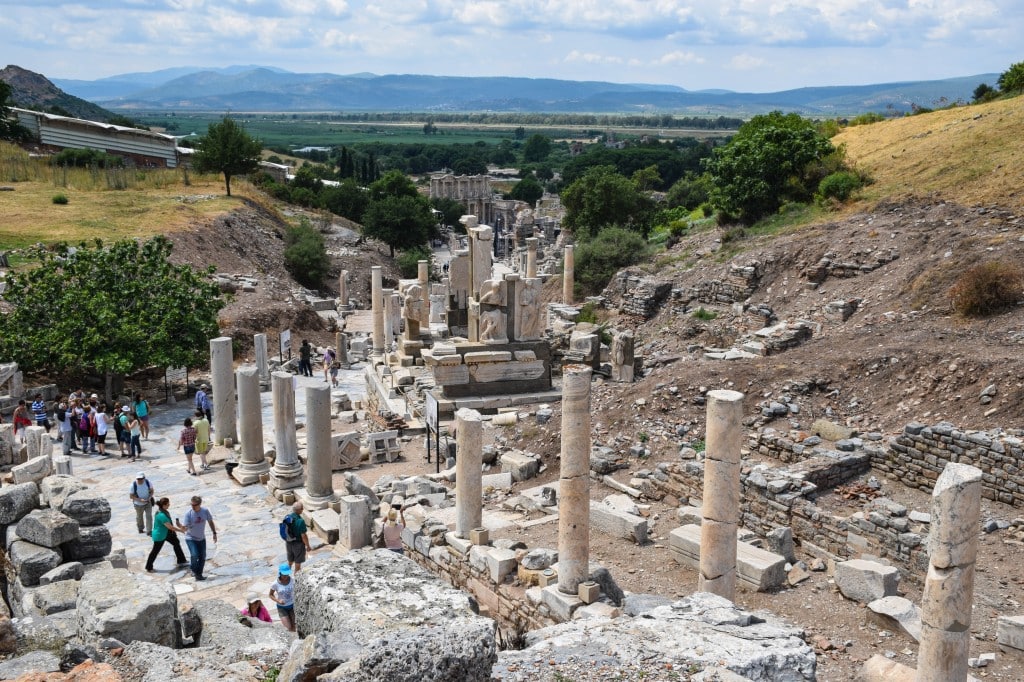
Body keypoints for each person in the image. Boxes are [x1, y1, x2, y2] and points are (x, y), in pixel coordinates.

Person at [145, 497, 187, 572]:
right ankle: (149, 567)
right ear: (163, 505)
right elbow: (170, 527)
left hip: (167, 533)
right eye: (168, 504)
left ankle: (181, 560)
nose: (169, 505)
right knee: (155, 551)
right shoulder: (161, 515)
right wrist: (180, 530)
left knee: (176, 542)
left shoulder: (163, 511)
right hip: (160, 535)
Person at [182, 495, 217, 581]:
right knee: (194, 554)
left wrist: (214, 533)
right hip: (190, 538)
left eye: (195, 505)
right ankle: (193, 569)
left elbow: (210, 521)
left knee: (202, 556)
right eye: (191, 504)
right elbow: (185, 528)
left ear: (199, 504)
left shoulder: (205, 511)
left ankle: (199, 574)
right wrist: (182, 527)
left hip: (201, 538)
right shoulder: (188, 514)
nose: (193, 506)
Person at [282, 501, 312, 573]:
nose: (303, 509)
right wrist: (308, 546)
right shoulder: (300, 521)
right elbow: (303, 536)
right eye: (302, 508)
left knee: (290, 562)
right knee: (297, 565)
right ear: (299, 510)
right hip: (298, 545)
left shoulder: (287, 517)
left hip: (288, 543)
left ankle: (285, 576)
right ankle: (296, 579)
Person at [269, 564, 296, 631]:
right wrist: (278, 600)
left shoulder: (292, 580)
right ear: (280, 573)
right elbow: (270, 595)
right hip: (282, 607)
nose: (286, 576)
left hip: (292, 605)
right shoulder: (275, 584)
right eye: (284, 574)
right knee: (288, 628)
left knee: (295, 625)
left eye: (287, 574)